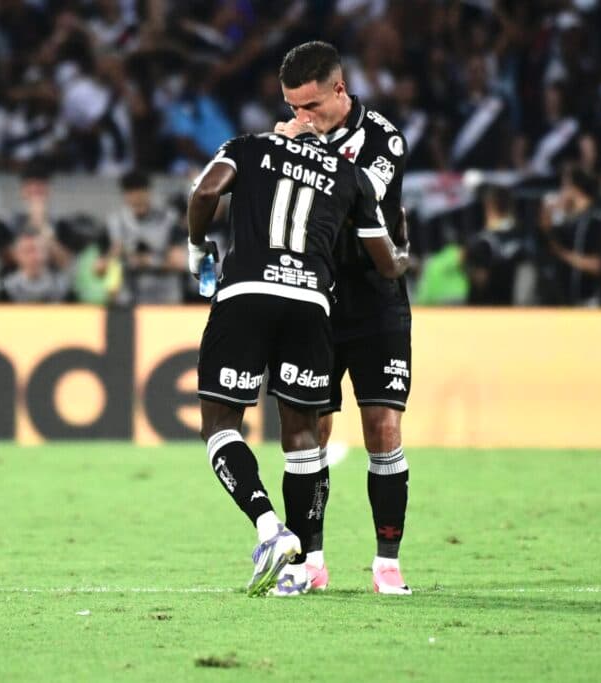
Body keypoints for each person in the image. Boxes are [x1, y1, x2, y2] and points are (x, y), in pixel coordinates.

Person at [189, 126, 408, 597]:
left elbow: (206, 189)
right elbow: (384, 259)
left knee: (219, 425)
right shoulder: (347, 171)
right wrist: (402, 256)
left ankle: (270, 526)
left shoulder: (251, 146)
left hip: (247, 290)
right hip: (312, 301)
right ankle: (302, 566)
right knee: (303, 433)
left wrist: (196, 246)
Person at [274, 41, 413, 595]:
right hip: (312, 298)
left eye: (309, 106)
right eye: (290, 108)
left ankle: (386, 563)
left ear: (339, 88)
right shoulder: (289, 134)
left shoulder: (383, 138)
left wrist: (300, 155)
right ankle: (310, 561)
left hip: (375, 299)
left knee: (383, 426)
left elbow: (357, 203)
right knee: (307, 429)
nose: (299, 118)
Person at [106, 170, 186, 304]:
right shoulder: (115, 223)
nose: (136, 199)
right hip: (129, 301)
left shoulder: (169, 219)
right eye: (131, 194)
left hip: (165, 299)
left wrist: (147, 261)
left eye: (140, 193)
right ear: (125, 196)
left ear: (148, 192)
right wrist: (114, 258)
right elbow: (99, 266)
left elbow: (179, 262)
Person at [537, 165, 601, 306]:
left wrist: (562, 254)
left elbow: (598, 265)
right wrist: (548, 229)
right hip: (566, 303)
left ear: (574, 188)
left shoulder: (598, 218)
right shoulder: (570, 220)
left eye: (563, 187)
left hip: (590, 302)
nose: (561, 192)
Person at [467, 185, 528, 306]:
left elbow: (480, 280)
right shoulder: (524, 236)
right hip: (521, 308)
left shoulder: (483, 241)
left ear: (489, 205)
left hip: (490, 309)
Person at [0, 230, 69, 303]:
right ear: (16, 255)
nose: (35, 257)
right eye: (28, 251)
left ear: (47, 253)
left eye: (40, 250)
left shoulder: (63, 289)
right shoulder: (5, 291)